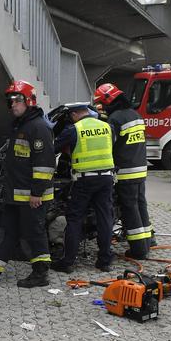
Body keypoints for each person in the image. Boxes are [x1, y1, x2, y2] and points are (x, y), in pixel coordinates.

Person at [0, 79, 55, 288]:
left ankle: (41, 274)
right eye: (11, 101)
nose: (13, 105)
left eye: (17, 100)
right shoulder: (21, 126)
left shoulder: (38, 127)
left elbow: (44, 164)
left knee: (34, 233)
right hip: (15, 195)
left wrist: (36, 193)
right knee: (7, 230)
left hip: (32, 196)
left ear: (29, 101)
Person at [51, 102, 115, 272]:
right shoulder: (107, 127)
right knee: (105, 218)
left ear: (73, 115)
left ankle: (68, 262)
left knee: (74, 218)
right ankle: (104, 262)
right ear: (87, 111)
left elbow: (53, 148)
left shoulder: (74, 129)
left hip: (84, 180)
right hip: (107, 178)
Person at [94, 82, 152, 259]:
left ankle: (139, 250)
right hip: (141, 170)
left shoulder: (115, 119)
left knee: (130, 209)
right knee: (141, 206)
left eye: (102, 105)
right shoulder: (136, 115)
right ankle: (148, 242)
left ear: (109, 101)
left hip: (125, 172)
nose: (102, 108)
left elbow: (108, 145)